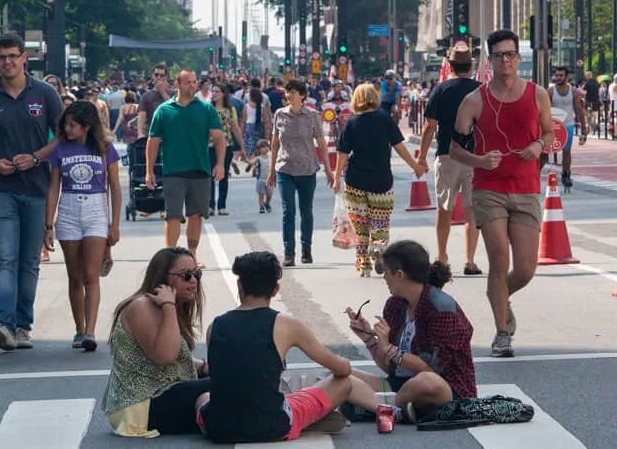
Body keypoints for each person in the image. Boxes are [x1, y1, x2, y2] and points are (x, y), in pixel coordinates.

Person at [196, 251, 381, 443]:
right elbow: (342, 370)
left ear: (239, 286)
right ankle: (306, 421)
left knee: (203, 398)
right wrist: (343, 361)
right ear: (275, 290)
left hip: (219, 428)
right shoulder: (286, 324)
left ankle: (301, 419)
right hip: (272, 425)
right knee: (344, 383)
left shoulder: (215, 326)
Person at [450, 29, 553, 358]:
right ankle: (502, 333)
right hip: (489, 188)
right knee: (498, 258)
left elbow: (551, 133)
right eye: (498, 55)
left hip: (526, 187)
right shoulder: (474, 100)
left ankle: (499, 294)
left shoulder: (538, 94)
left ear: (518, 58)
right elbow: (454, 149)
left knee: (526, 268)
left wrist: (539, 145)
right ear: (490, 60)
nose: (505, 60)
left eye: (510, 55)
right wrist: (480, 160)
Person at [0, 34, 64, 351]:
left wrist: (37, 157)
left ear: (24, 57)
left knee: (29, 261)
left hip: (36, 188)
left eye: (12, 55)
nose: (7, 62)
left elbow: (62, 138)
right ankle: (5, 324)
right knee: (5, 259)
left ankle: (23, 326)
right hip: (0, 189)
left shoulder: (45, 93)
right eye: (1, 57)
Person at [345, 240, 476, 423]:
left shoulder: (441, 309)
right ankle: (393, 408)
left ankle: (377, 407)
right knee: (340, 375)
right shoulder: (395, 305)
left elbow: (430, 369)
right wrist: (369, 338)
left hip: (445, 390)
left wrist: (389, 348)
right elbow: (391, 368)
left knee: (426, 381)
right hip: (402, 386)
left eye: (386, 272)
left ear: (399, 274)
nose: (384, 278)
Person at [101, 247, 210, 437]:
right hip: (139, 408)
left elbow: (171, 356)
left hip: (158, 396)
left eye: (196, 274)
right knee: (226, 382)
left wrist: (203, 367)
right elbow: (165, 356)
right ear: (162, 277)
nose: (193, 280)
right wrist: (169, 305)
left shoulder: (165, 307)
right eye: (186, 275)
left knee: (225, 375)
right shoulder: (142, 306)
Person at [45, 101, 121, 353]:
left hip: (96, 211)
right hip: (68, 210)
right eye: (65, 124)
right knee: (75, 275)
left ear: (86, 126)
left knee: (91, 274)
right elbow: (54, 187)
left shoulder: (104, 148)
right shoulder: (60, 150)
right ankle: (79, 328)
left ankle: (90, 330)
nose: (67, 129)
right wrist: (48, 224)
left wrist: (115, 224)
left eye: (72, 125)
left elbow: (115, 187)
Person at [333, 84, 427, 277]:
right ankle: (378, 246)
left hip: (355, 181)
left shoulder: (351, 123)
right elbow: (399, 147)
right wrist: (415, 166)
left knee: (360, 226)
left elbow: (343, 154)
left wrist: (336, 178)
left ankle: (364, 265)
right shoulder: (385, 120)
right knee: (380, 223)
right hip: (381, 180)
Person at [145, 70, 225, 264]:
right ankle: (169, 258)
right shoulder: (164, 110)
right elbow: (153, 141)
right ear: (177, 84)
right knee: (172, 215)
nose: (192, 85)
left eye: (194, 82)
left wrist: (220, 164)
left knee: (195, 215)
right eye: (188, 82)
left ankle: (191, 255)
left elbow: (219, 138)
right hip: (173, 171)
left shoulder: (206, 109)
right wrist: (149, 171)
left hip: (200, 169)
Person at [417, 43, 482, 275]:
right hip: (475, 157)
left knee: (444, 209)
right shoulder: (481, 90)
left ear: (450, 65)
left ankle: (442, 257)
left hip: (447, 155)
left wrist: (421, 157)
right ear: (471, 65)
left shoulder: (440, 90)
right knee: (472, 210)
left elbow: (429, 125)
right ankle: (470, 260)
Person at [267, 79, 334, 267]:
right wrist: (272, 171)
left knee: (306, 211)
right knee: (288, 211)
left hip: (307, 169)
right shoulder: (279, 114)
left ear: (302, 95)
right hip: (284, 169)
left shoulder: (312, 116)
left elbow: (321, 143)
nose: (289, 95)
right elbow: (275, 143)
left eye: (293, 92)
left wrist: (329, 170)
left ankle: (306, 248)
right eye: (287, 91)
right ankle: (288, 252)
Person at [544, 66, 587, 190]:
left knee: (567, 151)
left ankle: (566, 174)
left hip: (567, 124)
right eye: (557, 75)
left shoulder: (573, 92)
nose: (558, 78)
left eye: (561, 75)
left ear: (567, 77)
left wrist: (584, 129)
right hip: (553, 124)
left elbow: (579, 110)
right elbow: (543, 108)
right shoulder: (550, 91)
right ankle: (535, 175)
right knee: (544, 151)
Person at [208, 86, 244, 217]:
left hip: (226, 145)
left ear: (224, 94)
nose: (214, 94)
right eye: (213, 91)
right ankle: (210, 205)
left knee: (223, 175)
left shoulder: (230, 110)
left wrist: (242, 146)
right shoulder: (208, 109)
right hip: (210, 145)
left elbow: (235, 128)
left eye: (217, 91)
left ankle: (222, 206)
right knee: (210, 175)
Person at [137, 64, 172, 138]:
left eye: (161, 75)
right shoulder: (145, 96)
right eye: (156, 75)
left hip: (168, 133)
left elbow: (174, 109)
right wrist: (140, 133)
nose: (159, 77)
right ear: (153, 76)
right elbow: (142, 115)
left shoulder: (173, 93)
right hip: (150, 133)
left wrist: (163, 92)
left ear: (166, 77)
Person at [241, 87, 271, 157]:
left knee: (249, 146)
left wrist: (241, 132)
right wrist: (267, 134)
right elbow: (265, 121)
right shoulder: (262, 107)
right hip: (260, 128)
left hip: (249, 128)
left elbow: (243, 121)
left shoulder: (246, 106)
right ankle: (255, 160)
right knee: (259, 146)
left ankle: (250, 159)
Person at [247, 139, 274, 213]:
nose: (265, 148)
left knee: (269, 195)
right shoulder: (258, 158)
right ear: (259, 150)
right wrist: (246, 159)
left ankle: (267, 203)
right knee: (261, 195)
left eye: (267, 146)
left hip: (269, 179)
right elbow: (251, 162)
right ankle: (261, 207)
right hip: (260, 180)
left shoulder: (271, 156)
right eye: (263, 147)